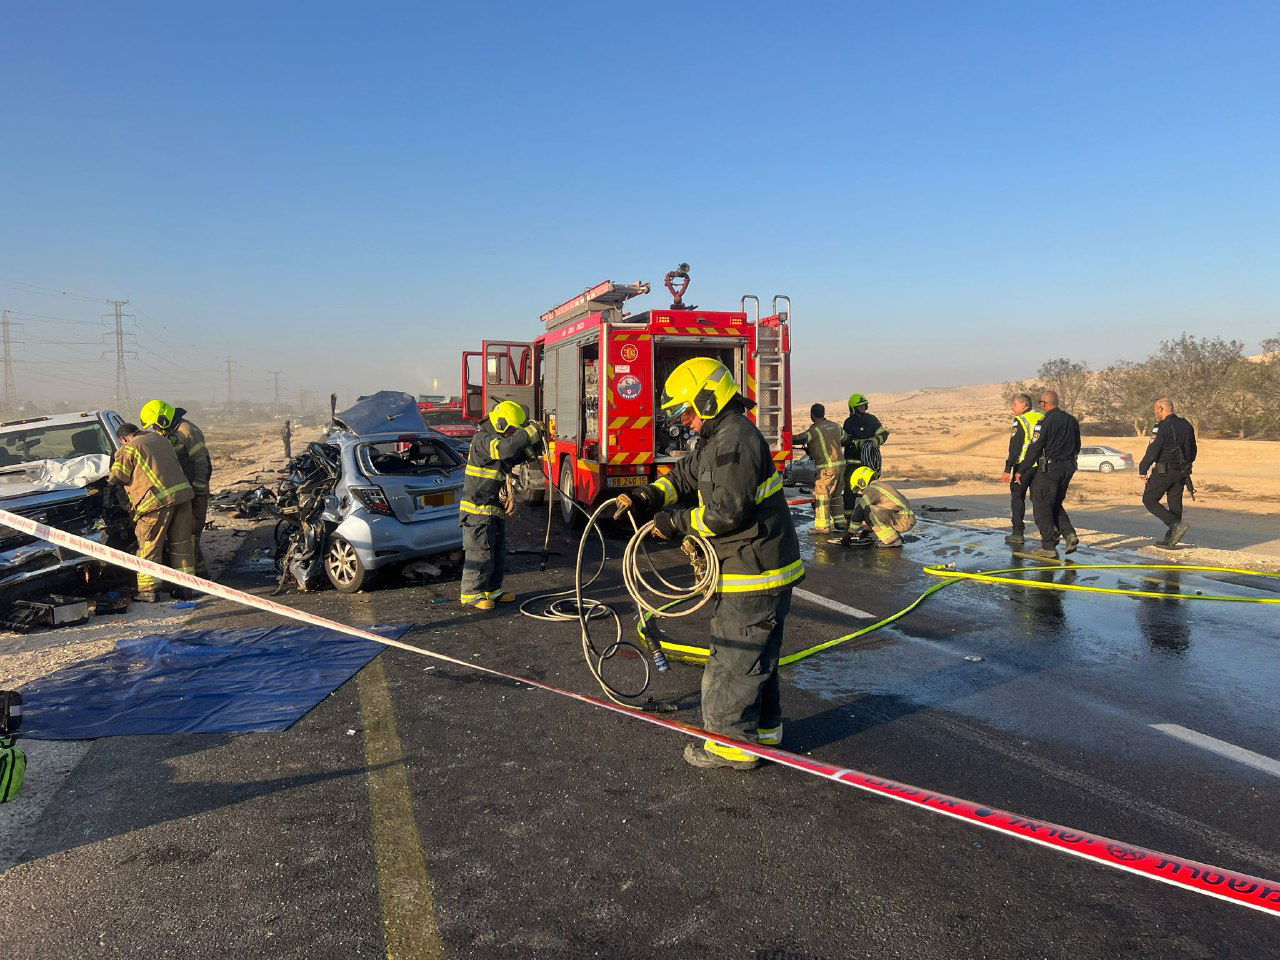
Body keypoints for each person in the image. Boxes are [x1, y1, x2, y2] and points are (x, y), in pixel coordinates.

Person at [615, 358, 803, 771]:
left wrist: (673, 523)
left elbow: (724, 515)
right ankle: (765, 733)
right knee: (756, 658)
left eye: (687, 410)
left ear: (708, 399)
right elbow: (684, 476)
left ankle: (730, 745)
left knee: (732, 658)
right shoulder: (720, 435)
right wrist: (648, 496)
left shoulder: (734, 440)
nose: (686, 420)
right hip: (759, 565)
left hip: (753, 570)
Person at [459, 401, 545, 609]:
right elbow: (504, 449)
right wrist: (529, 432)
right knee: (480, 551)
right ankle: (471, 593)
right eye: (511, 430)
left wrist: (536, 442)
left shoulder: (497, 441)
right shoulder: (484, 440)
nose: (512, 434)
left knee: (497, 551)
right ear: (500, 423)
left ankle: (493, 590)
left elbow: (514, 455)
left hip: (492, 508)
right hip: (477, 509)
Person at [108, 423, 196, 602]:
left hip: (155, 502)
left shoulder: (130, 448)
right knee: (182, 544)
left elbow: (118, 477)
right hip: (182, 497)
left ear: (123, 439)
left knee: (149, 544)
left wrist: (108, 478)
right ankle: (185, 588)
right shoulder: (160, 439)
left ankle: (148, 590)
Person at [140, 400, 213, 577]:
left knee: (191, 533)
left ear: (163, 419)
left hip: (194, 492)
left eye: (155, 425)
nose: (155, 430)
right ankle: (202, 575)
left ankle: (194, 580)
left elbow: (202, 462)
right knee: (186, 534)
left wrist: (198, 489)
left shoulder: (186, 431)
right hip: (182, 492)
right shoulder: (170, 433)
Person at [1015, 390, 1081, 559]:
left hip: (1050, 470)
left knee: (1041, 505)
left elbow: (1035, 447)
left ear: (1044, 404)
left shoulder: (1044, 421)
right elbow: (1078, 445)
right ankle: (1069, 534)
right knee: (1055, 503)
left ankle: (1048, 546)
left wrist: (1022, 469)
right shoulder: (1071, 420)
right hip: (1068, 468)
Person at [1139, 397, 1197, 547]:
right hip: (1182, 471)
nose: (1155, 413)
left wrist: (1143, 469)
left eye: (1155, 410)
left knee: (1149, 500)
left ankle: (1175, 524)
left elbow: (1152, 451)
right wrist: (1186, 464)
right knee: (1175, 503)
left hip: (1164, 470)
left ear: (1161, 409)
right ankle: (1171, 539)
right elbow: (1193, 450)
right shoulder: (1186, 425)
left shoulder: (1161, 427)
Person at [793, 403, 846, 533]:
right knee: (836, 495)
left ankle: (822, 527)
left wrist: (786, 437)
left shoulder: (815, 429)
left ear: (812, 414)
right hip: (841, 466)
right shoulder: (836, 426)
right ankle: (839, 523)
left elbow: (801, 439)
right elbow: (846, 439)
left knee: (822, 495)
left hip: (827, 469)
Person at [841, 393, 888, 530]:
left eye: (864, 405)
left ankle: (872, 518)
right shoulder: (848, 422)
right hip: (853, 463)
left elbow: (883, 434)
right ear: (853, 408)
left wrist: (875, 440)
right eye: (860, 406)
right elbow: (846, 441)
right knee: (850, 492)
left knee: (871, 492)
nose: (863, 408)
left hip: (869, 465)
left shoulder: (872, 420)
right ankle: (848, 520)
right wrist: (858, 443)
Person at [1002, 393, 1043, 546]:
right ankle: (1048, 532)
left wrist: (1008, 468)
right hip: (1039, 466)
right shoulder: (1041, 417)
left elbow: (1015, 447)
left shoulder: (1019, 421)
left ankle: (1017, 533)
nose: (1012, 407)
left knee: (1017, 498)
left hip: (1023, 467)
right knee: (1038, 499)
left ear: (1024, 405)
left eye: (1015, 404)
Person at [840, 466, 916, 547]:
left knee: (868, 509)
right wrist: (866, 531)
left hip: (902, 519)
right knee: (870, 509)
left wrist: (849, 534)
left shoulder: (872, 488)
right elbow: (875, 512)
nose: (861, 491)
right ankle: (893, 537)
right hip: (903, 518)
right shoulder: (878, 486)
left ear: (862, 482)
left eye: (859, 488)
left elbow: (860, 510)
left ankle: (892, 540)